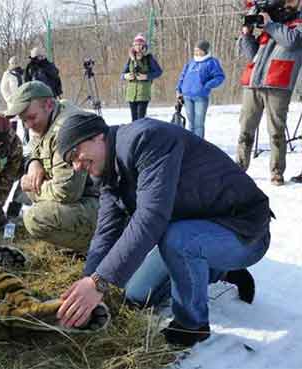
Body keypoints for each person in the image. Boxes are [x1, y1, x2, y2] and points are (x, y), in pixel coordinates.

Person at [54, 112, 271, 347]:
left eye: (76, 154)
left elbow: (151, 218)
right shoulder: (107, 172)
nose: (77, 166)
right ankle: (220, 271)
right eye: (70, 161)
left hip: (243, 232)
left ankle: (192, 325)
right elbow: (106, 232)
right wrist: (88, 281)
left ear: (97, 136)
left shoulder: (146, 139)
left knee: (176, 240)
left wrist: (99, 282)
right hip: (194, 230)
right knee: (136, 295)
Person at [4, 81, 99, 252]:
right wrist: (34, 163)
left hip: (102, 204)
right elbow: (36, 146)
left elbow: (66, 193)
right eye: (23, 120)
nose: (28, 126)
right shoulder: (51, 114)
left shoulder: (65, 131)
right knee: (30, 180)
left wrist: (33, 187)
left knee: (35, 218)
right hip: (85, 197)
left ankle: (98, 246)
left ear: (48, 104)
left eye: (31, 118)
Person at [236, 0, 302, 186]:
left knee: (276, 130)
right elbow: (251, 54)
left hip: (278, 82)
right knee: (245, 128)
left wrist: (270, 25)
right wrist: (246, 35)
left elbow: (291, 42)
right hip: (253, 81)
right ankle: (239, 167)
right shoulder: (271, 24)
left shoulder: (296, 24)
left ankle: (277, 171)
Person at [176, 40, 225, 139]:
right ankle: (190, 143)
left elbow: (219, 77)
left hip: (200, 97)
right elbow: (182, 76)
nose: (196, 52)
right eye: (195, 50)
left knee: (198, 123)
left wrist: (207, 85)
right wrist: (178, 90)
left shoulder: (211, 62)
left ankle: (199, 144)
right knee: (190, 122)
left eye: (199, 50)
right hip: (187, 96)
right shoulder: (191, 62)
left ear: (205, 51)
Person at [121, 33, 163, 121]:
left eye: (140, 44)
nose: (138, 46)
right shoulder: (130, 58)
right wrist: (126, 76)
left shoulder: (148, 58)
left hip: (143, 93)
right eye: (136, 44)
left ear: (144, 45)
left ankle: (141, 134)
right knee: (134, 120)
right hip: (131, 94)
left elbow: (159, 72)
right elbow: (122, 74)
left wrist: (146, 76)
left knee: (141, 119)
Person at [1, 56, 29, 143]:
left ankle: (26, 137)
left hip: (24, 99)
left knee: (25, 118)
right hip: (13, 101)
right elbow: (3, 88)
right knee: (13, 120)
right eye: (13, 63)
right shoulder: (7, 74)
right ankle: (12, 140)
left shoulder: (23, 73)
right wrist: (9, 98)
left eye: (16, 63)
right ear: (10, 64)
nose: (14, 65)